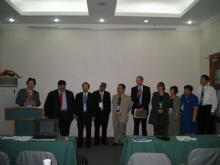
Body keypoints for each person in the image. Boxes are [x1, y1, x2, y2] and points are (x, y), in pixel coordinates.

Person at [75, 82, 96, 148]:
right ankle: (80, 143)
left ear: (89, 88)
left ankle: (88, 143)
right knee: (80, 130)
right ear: (82, 87)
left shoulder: (92, 95)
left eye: (86, 87)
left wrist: (94, 115)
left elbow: (94, 106)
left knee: (88, 130)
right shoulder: (78, 95)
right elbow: (76, 106)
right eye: (84, 86)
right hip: (80, 116)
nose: (85, 88)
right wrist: (75, 115)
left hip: (89, 116)